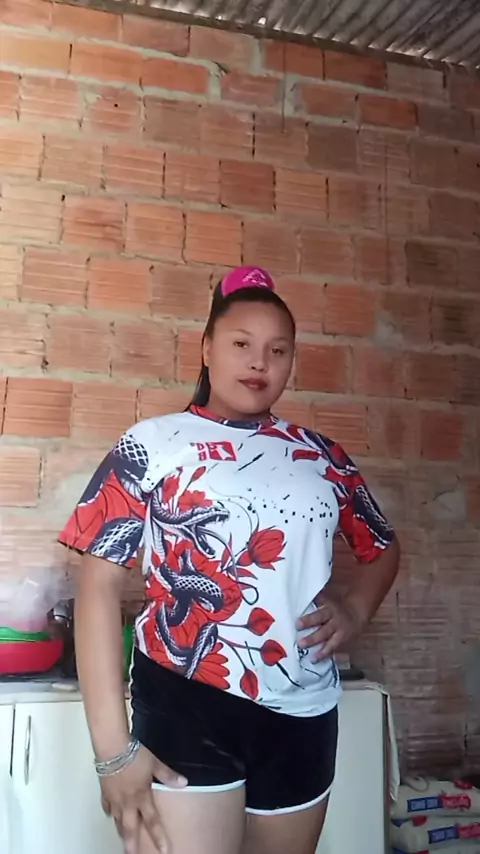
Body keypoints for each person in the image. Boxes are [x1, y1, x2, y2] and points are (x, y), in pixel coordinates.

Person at [59, 266, 400, 854]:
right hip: (185, 698)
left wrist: (355, 610)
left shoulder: (321, 456)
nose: (259, 362)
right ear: (207, 348)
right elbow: (98, 587)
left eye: (277, 350)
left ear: (291, 361)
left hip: (304, 709)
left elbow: (382, 548)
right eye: (241, 344)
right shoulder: (151, 444)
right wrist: (112, 753)